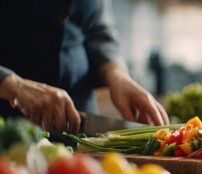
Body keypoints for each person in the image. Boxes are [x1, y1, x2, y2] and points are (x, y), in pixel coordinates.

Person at [0, 0, 169, 133]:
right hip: (9, 127)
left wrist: (116, 73)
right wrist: (12, 85)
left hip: (82, 128)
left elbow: (98, 30)